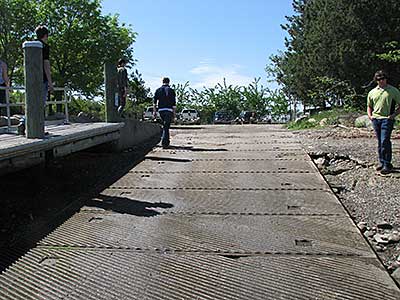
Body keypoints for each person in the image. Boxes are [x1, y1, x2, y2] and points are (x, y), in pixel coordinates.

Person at [367, 70, 400, 175]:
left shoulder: (393, 91)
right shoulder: (372, 92)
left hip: (387, 118)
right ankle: (382, 162)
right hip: (376, 119)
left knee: (385, 140)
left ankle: (387, 163)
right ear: (376, 80)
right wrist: (370, 116)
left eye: (382, 78)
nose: (381, 81)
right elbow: (369, 106)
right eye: (378, 79)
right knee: (380, 142)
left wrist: (393, 115)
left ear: (386, 79)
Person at [154, 77, 176, 148]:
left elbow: (154, 103)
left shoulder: (158, 90)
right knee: (166, 126)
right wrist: (174, 115)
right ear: (169, 82)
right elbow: (174, 105)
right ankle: (165, 143)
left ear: (162, 82)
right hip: (169, 110)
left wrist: (155, 112)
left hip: (161, 110)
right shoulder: (171, 91)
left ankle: (165, 142)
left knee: (165, 126)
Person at [35, 25, 53, 106]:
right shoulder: (45, 47)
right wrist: (50, 82)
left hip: (31, 78)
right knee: (40, 104)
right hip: (42, 79)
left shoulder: (31, 46)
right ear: (45, 35)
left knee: (32, 102)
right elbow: (46, 65)